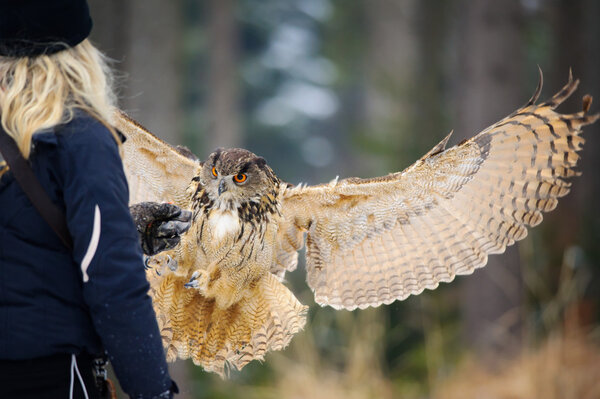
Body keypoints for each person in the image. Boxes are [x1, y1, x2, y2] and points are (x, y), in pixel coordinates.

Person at [0, 1, 181, 398]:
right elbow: (113, 283)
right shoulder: (79, 137)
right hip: (47, 374)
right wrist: (153, 391)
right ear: (80, 53)